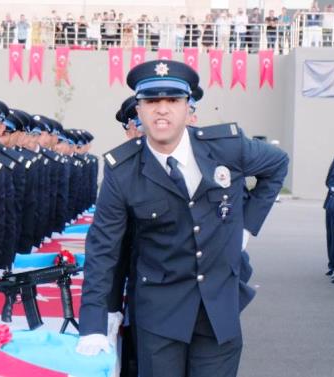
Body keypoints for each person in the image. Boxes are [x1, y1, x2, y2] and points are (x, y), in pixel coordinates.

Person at [76, 60, 289, 377]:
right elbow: (103, 249)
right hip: (159, 315)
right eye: (151, 101)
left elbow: (277, 165)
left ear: (189, 107)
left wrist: (246, 227)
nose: (162, 110)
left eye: (173, 100)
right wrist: (94, 322)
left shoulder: (226, 148)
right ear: (139, 109)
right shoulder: (122, 171)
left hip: (219, 310)